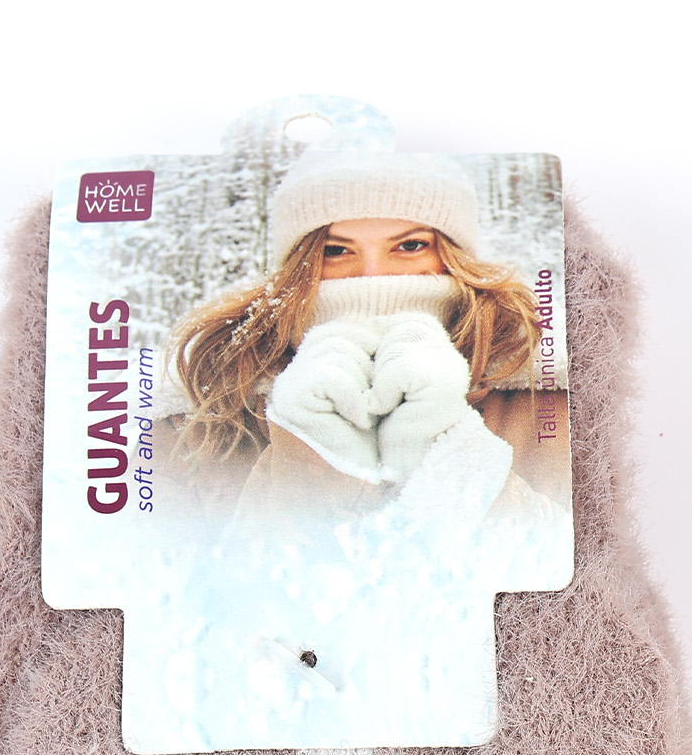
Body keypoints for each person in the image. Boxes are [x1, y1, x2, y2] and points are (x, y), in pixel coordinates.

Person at [155, 150, 570, 542]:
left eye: (410, 246)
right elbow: (172, 585)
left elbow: (575, 576)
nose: (372, 275)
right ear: (299, 266)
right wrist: (305, 464)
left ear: (453, 257)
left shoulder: (548, 396)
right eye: (336, 251)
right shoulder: (201, 414)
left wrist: (448, 461)